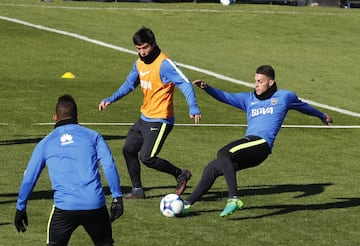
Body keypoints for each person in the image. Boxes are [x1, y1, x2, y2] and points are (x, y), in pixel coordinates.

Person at [183, 65, 333, 217]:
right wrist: (207, 88)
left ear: (271, 82)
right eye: (255, 81)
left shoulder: (285, 97)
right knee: (212, 168)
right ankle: (187, 204)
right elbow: (226, 97)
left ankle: (234, 199)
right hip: (249, 145)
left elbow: (304, 107)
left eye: (260, 81)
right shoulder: (248, 99)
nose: (256, 85)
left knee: (223, 153)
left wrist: (322, 115)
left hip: (261, 144)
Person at [98, 27, 201, 199]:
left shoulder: (164, 64)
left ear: (153, 44)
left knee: (147, 157)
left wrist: (193, 106)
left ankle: (180, 174)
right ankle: (137, 190)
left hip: (161, 120)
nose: (142, 52)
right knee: (128, 149)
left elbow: (185, 83)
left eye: (145, 47)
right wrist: (111, 99)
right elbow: (130, 84)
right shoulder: (138, 63)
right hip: (144, 118)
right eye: (138, 49)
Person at [14, 95, 124, 245]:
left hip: (65, 208)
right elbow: (109, 165)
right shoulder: (94, 136)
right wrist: (117, 197)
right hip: (94, 205)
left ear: (54, 117)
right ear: (77, 117)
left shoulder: (45, 143)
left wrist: (21, 207)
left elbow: (30, 178)